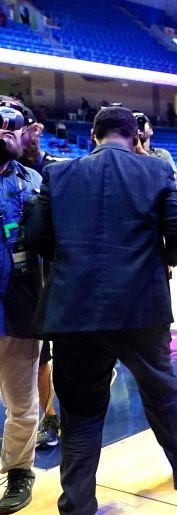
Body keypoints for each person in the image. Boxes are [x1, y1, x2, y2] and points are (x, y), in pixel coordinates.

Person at [24, 106, 177, 515]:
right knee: (161, 392)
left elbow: (38, 238)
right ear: (134, 135)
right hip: (141, 309)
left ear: (93, 136)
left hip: (74, 312)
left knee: (81, 414)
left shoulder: (59, 176)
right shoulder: (156, 171)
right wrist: (161, 261)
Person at [2, 97, 64, 453]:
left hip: (38, 294)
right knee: (33, 367)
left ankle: (58, 412)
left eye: (12, 123)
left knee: (53, 362)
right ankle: (48, 416)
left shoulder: (41, 175)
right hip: (21, 299)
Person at [0, 101, 44, 515]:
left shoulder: (33, 182)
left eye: (12, 129)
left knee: (22, 402)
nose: (5, 135)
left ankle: (18, 471)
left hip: (19, 311)